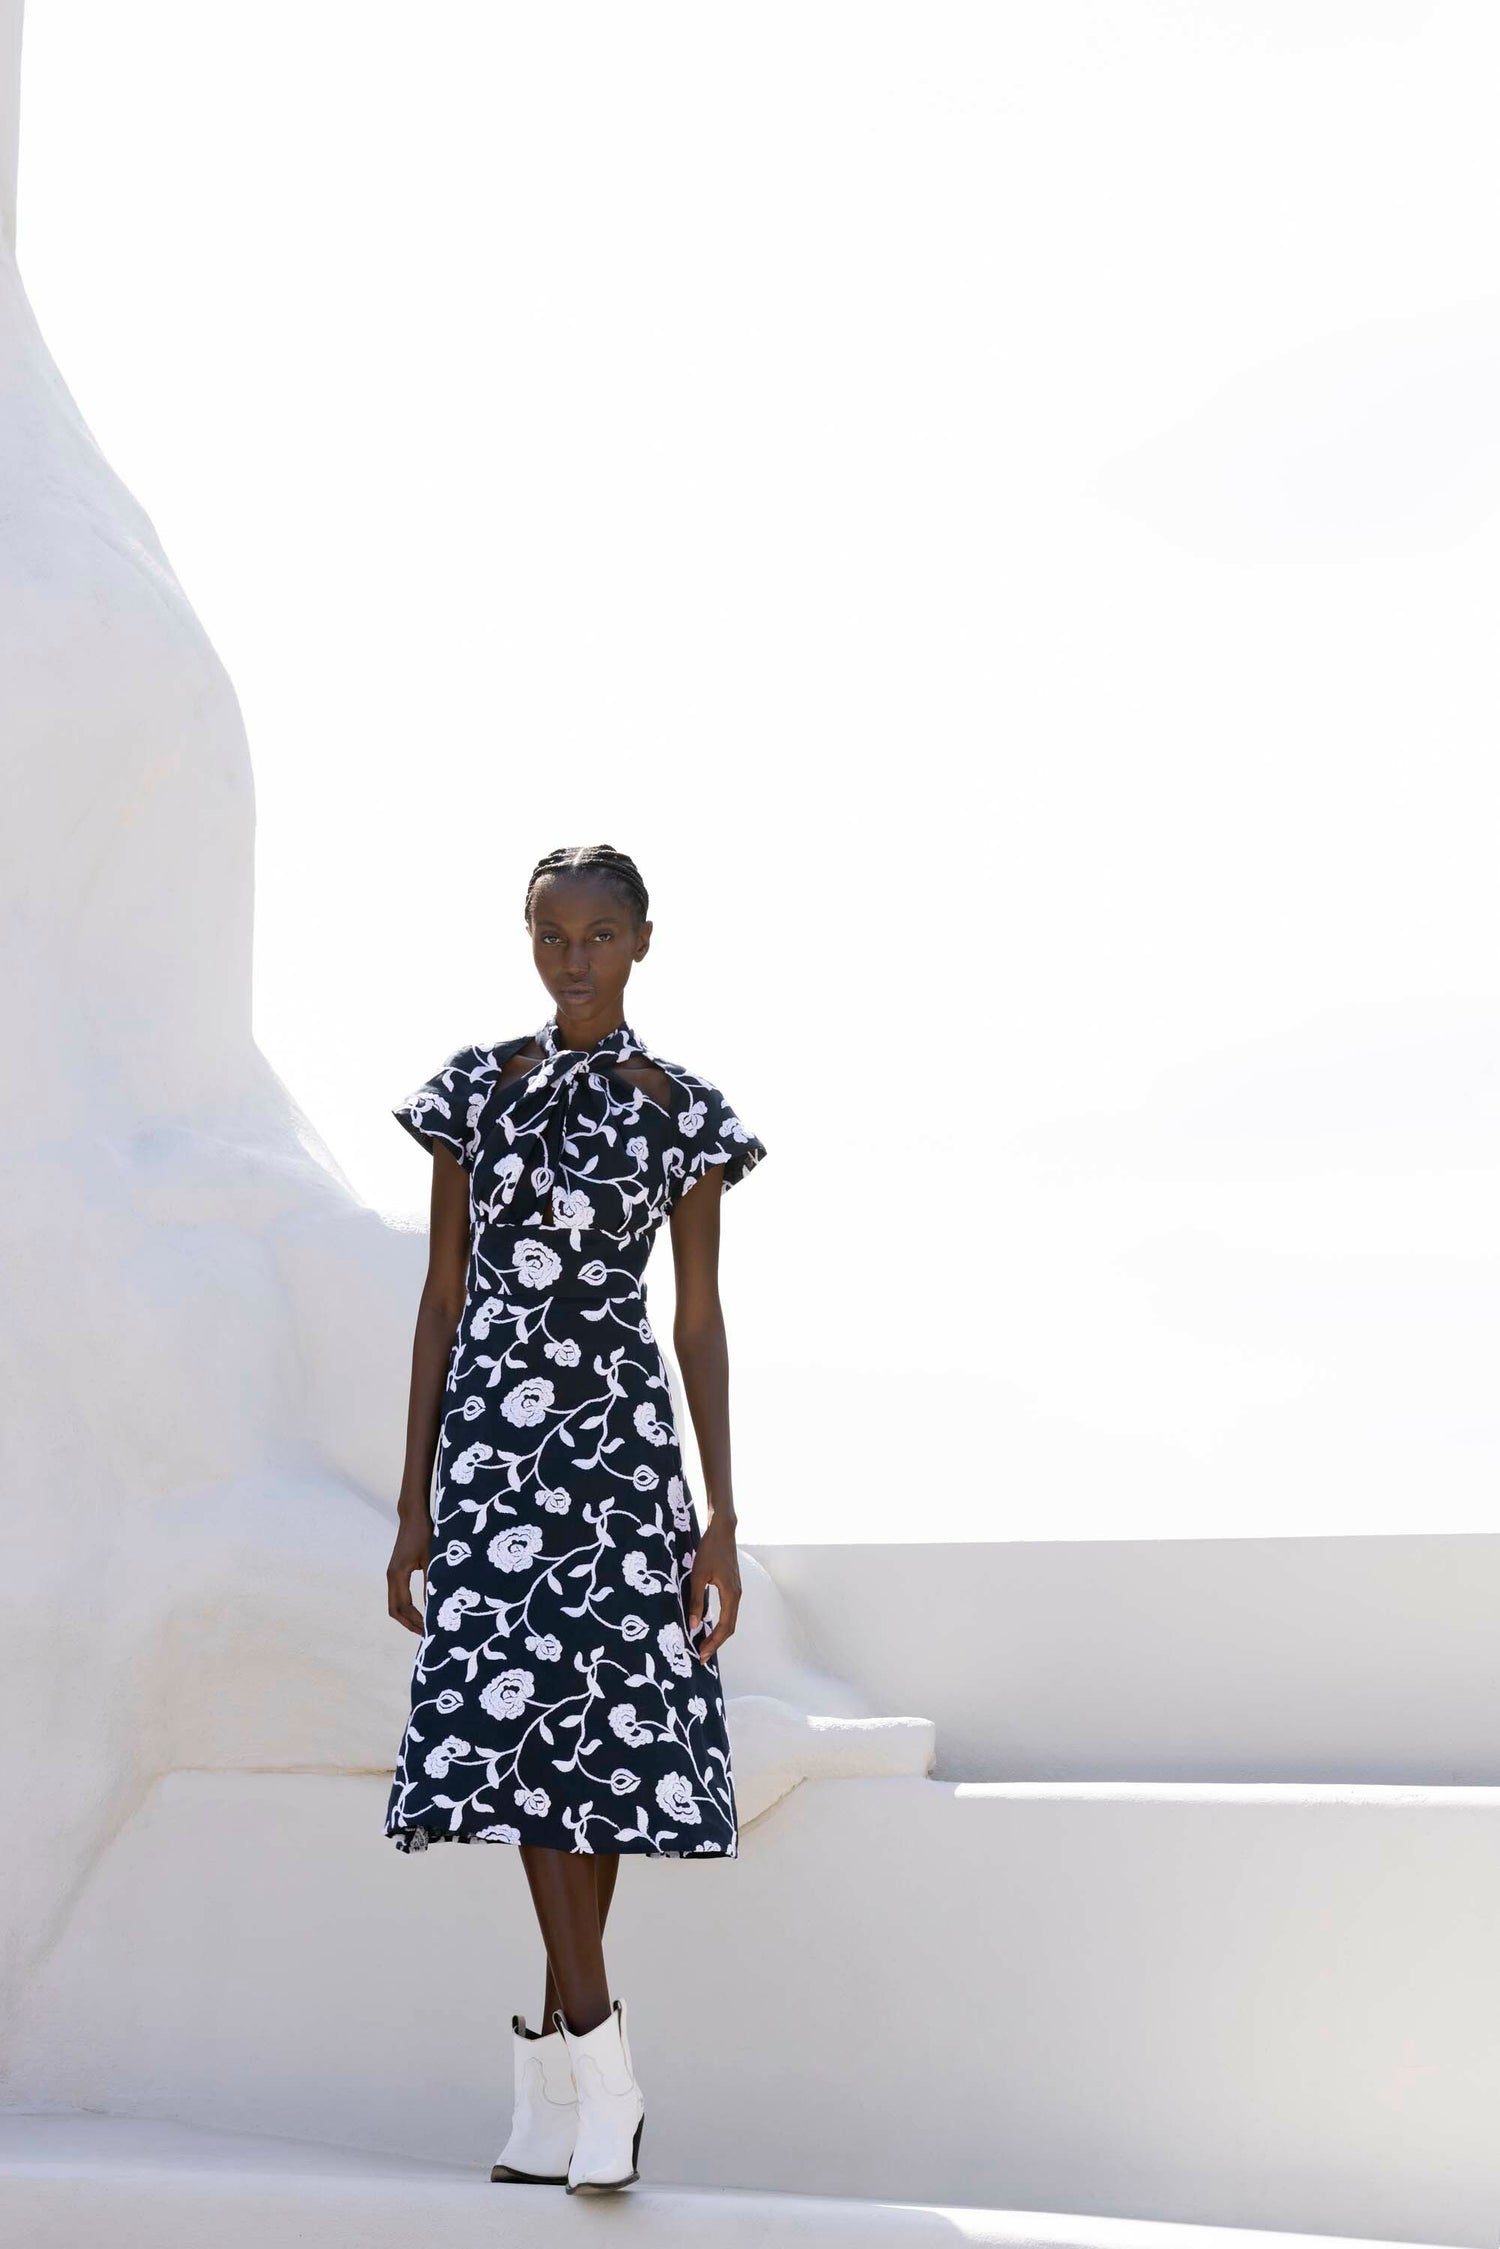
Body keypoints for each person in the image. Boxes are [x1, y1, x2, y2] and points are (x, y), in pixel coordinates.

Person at [383, 842, 767, 2194]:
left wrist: (720, 1518)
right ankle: (593, 2068)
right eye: (555, 934)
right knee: (524, 1740)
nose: (575, 956)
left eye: (602, 934)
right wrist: (413, 1499)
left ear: (643, 942)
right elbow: (439, 1302)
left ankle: (564, 2079)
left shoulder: (684, 1111)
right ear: (529, 939)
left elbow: (700, 1320)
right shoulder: (476, 1091)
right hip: (493, 1457)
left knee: (595, 1750)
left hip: (616, 1454)